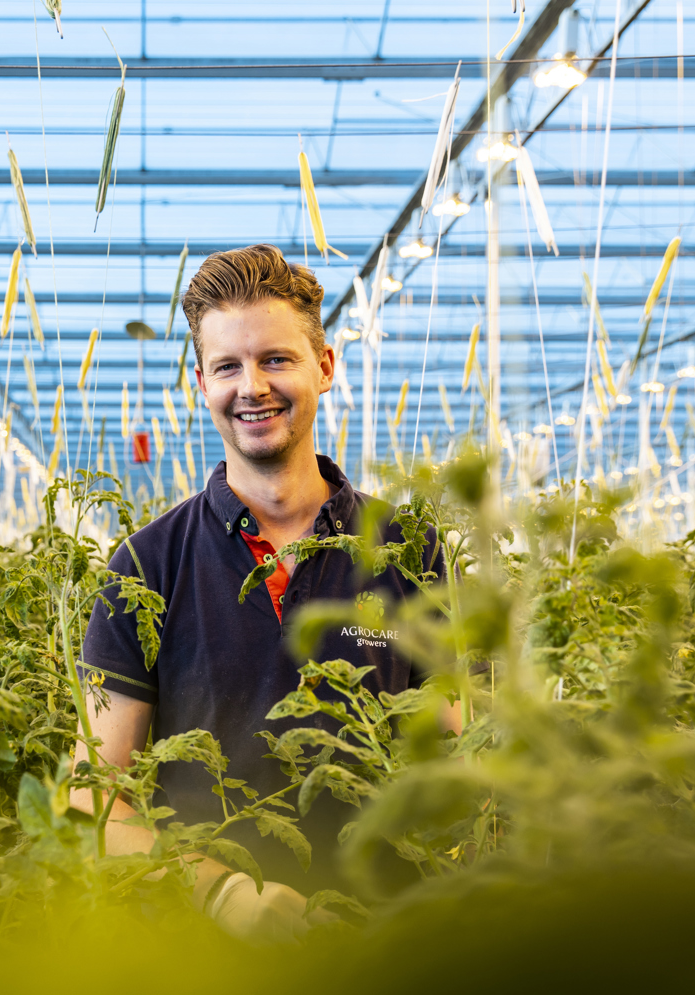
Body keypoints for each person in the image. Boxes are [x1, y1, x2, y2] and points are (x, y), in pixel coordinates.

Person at [75, 244, 448, 941]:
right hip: (208, 967)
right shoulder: (145, 566)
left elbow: (461, 750)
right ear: (201, 382)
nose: (252, 387)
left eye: (276, 359)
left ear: (324, 367)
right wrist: (223, 896)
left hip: (385, 948)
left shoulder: (408, 549)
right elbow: (94, 799)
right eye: (227, 366)